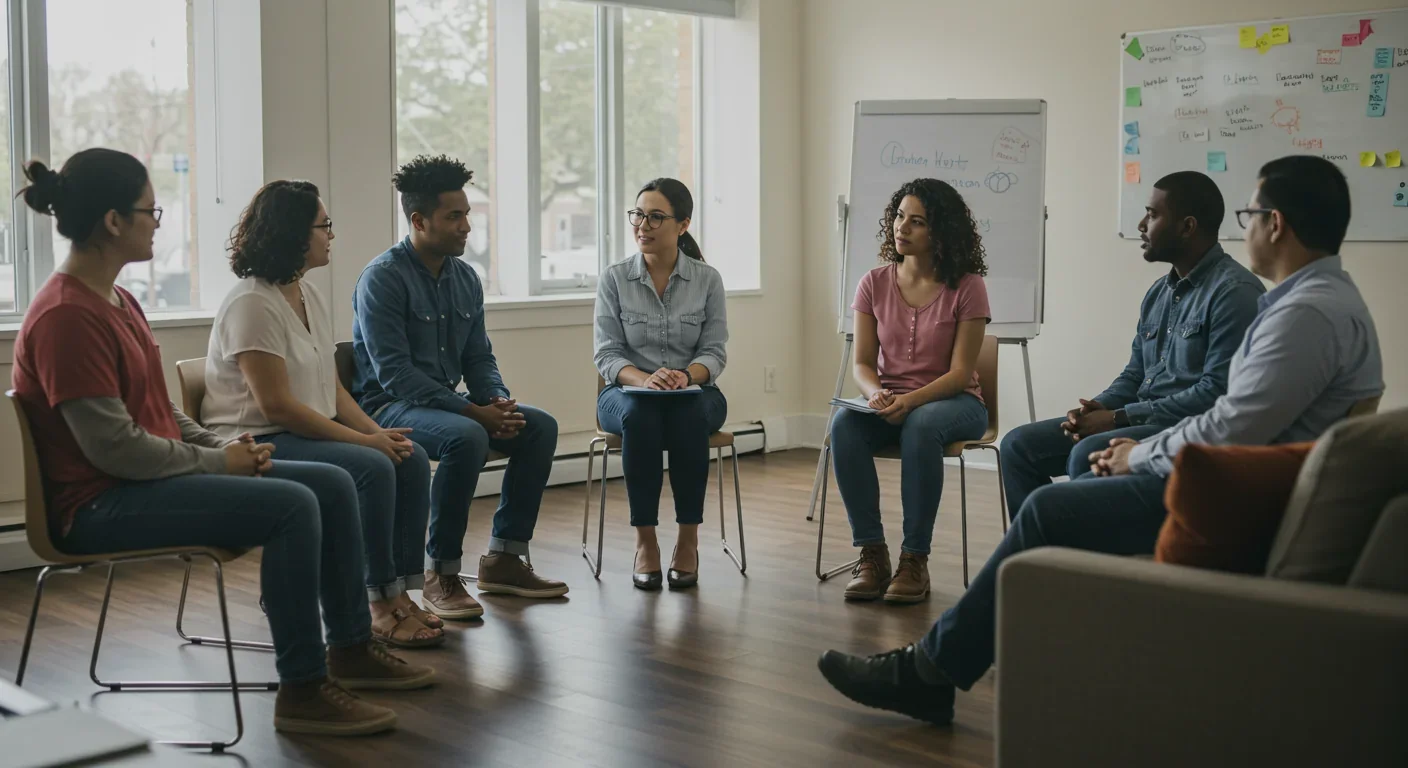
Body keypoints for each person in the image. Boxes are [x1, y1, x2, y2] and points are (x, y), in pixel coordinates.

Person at [817, 155, 1383, 726]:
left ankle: (937, 665)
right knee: (1028, 452)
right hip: (1241, 474)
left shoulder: (1295, 314)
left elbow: (1231, 418)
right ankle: (996, 629)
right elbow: (1156, 378)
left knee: (1050, 506)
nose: (1247, 226)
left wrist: (1137, 445)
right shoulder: (1301, 303)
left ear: (1277, 223)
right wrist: (1100, 408)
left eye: (1251, 213)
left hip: (1236, 490)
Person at [10, 149, 434, 737]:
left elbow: (157, 415)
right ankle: (303, 687)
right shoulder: (65, 316)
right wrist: (219, 460)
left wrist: (223, 448)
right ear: (113, 221)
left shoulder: (118, 300)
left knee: (334, 483)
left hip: (145, 480)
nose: (157, 222)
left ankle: (351, 649)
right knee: (293, 504)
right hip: (100, 504)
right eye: (150, 211)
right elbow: (117, 451)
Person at [204, 180, 443, 649]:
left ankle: (401, 592)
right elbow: (278, 408)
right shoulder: (252, 302)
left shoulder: (307, 294)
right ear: (294, 233)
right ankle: (378, 601)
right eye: (324, 225)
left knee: (407, 455)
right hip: (259, 438)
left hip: (303, 431)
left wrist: (380, 433)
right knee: (372, 466)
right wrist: (364, 445)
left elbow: (330, 389)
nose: (331, 234)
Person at [352, 154, 568, 620]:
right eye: (455, 216)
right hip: (387, 407)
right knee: (465, 436)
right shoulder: (382, 279)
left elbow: (478, 357)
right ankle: (440, 573)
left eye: (467, 214)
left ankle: (504, 559)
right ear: (418, 220)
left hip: (445, 404)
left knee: (539, 426)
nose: (467, 226)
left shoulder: (464, 278)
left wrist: (495, 400)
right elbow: (396, 376)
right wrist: (474, 414)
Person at [1000, 172, 1265, 515]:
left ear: (1187, 227)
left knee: (1086, 452)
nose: (1141, 225)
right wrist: (1095, 409)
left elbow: (1215, 394)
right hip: (1141, 417)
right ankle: (1050, 557)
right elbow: (1136, 375)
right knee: (1017, 445)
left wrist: (1117, 419)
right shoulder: (1159, 291)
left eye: (1153, 215)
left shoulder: (1234, 293)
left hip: (1183, 426)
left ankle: (1083, 552)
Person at [828, 178, 991, 604]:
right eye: (900, 216)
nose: (902, 227)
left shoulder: (968, 286)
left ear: (941, 232)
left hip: (956, 403)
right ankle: (872, 555)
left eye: (916, 222)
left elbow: (960, 373)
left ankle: (914, 560)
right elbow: (863, 362)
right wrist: (877, 395)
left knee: (920, 426)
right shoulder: (874, 282)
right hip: (892, 401)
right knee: (845, 424)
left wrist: (910, 401)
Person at [594, 178, 729, 590]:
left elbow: (715, 353)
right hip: (626, 395)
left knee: (687, 416)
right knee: (641, 417)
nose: (643, 225)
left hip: (694, 393)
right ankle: (645, 543)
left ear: (682, 224)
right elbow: (607, 355)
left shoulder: (707, 280)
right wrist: (645, 379)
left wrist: (685, 376)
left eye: (656, 216)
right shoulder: (615, 279)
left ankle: (687, 542)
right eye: (638, 215)